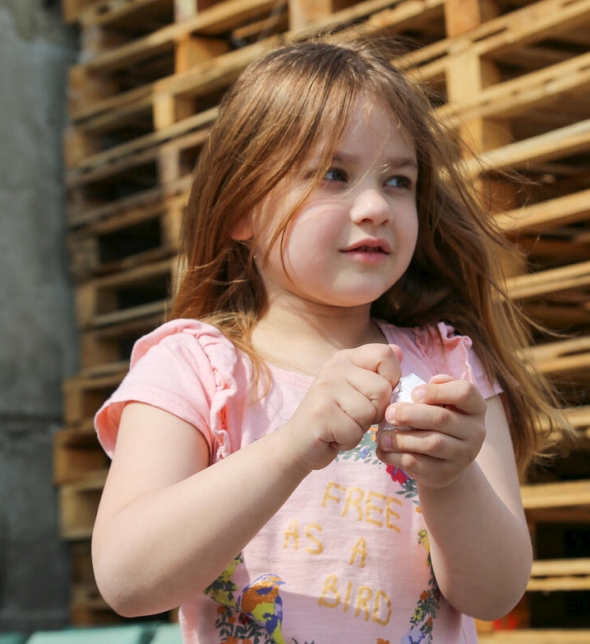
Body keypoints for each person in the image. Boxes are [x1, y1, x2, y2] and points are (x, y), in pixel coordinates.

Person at [91, 31, 564, 644]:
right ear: (239, 208)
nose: (375, 206)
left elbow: (494, 592)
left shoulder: (450, 365)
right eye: (334, 174)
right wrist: (292, 447)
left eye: (398, 181)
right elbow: (128, 579)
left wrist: (452, 479)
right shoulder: (192, 368)